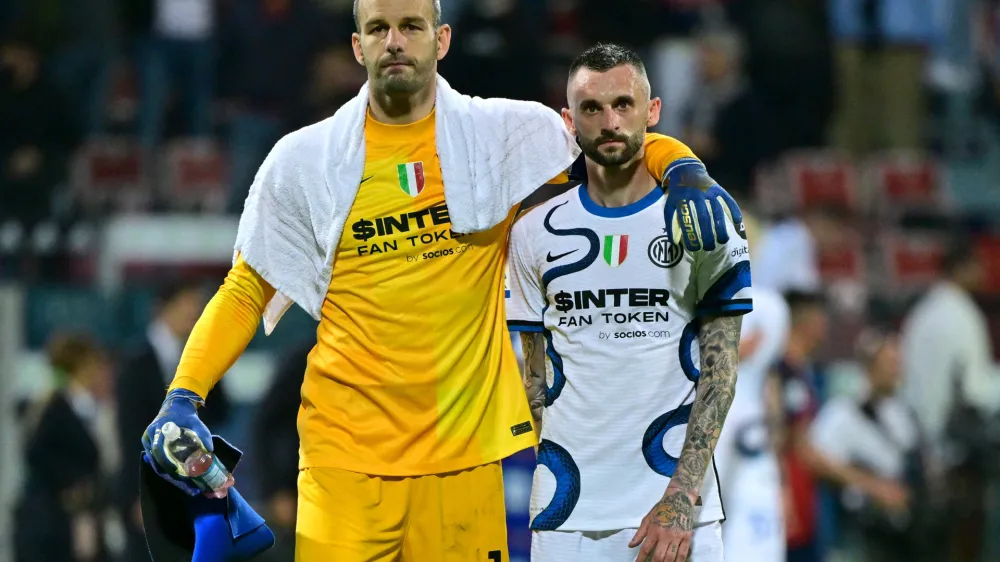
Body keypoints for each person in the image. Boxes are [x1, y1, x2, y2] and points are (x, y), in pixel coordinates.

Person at [136, 0, 742, 560]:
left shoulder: (503, 135)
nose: (395, 42)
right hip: (345, 460)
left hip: (464, 461)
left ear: (442, 39)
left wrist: (683, 169)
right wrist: (183, 396)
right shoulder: (304, 161)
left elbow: (612, 139)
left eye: (411, 26)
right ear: (357, 46)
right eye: (378, 29)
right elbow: (247, 289)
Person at [506, 43, 751, 562]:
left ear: (652, 111)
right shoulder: (532, 232)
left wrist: (681, 498)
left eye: (623, 104)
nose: (610, 121)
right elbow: (533, 383)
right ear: (570, 120)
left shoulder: (703, 217)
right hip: (565, 512)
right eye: (592, 108)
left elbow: (721, 370)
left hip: (674, 511)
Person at [777, 291, 908, 562]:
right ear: (810, 323)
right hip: (791, 507)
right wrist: (873, 487)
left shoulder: (800, 372)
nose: (827, 328)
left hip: (803, 507)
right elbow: (804, 451)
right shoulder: (786, 373)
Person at [114, 279, 231, 561]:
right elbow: (129, 432)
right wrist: (138, 493)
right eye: (187, 305)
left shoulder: (198, 358)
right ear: (164, 308)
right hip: (149, 486)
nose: (194, 314)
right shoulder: (136, 361)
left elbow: (220, 412)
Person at [899, 237, 1000, 562]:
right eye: (978, 265)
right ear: (961, 268)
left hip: (920, 443)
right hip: (957, 452)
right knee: (961, 543)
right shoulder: (961, 314)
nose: (984, 272)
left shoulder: (924, 311)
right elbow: (976, 390)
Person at [810, 328, 936, 562]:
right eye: (888, 361)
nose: (895, 369)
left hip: (906, 535)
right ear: (869, 364)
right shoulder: (844, 413)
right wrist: (873, 487)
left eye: (898, 361)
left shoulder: (906, 411)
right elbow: (816, 461)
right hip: (862, 532)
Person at [714, 211, 790, 562]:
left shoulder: (769, 305)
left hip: (743, 419)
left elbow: (748, 359)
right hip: (707, 419)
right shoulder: (697, 297)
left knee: (751, 519)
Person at [14, 334, 112, 562]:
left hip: (73, 523)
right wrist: (76, 493)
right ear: (82, 367)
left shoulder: (85, 408)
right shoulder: (55, 409)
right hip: (52, 528)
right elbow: (38, 456)